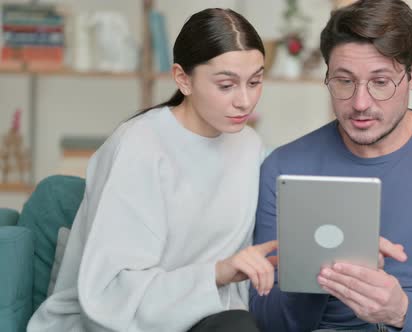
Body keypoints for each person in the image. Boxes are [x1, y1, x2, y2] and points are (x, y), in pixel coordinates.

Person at [249, 0, 412, 331]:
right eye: (344, 81)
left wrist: (401, 309)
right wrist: (316, 271)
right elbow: (266, 319)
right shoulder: (283, 168)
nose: (360, 103)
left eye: (381, 82)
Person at [28, 8, 277, 332]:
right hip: (114, 322)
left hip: (207, 318)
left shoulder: (249, 147)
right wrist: (217, 273)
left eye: (255, 81)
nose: (245, 101)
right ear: (182, 79)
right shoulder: (139, 145)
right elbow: (109, 295)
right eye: (227, 85)